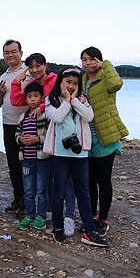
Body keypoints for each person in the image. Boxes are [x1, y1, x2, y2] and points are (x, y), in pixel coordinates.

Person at [43, 68, 108, 247]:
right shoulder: (51, 100)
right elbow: (57, 117)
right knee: (59, 192)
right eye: (67, 82)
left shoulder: (82, 101)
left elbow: (89, 116)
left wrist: (73, 100)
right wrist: (66, 100)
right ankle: (57, 227)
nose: (71, 86)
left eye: (74, 83)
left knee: (84, 192)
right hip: (60, 153)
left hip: (80, 154)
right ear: (60, 83)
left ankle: (90, 230)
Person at [81, 46, 129, 237]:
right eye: (84, 59)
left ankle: (103, 218)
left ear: (99, 60)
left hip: (105, 136)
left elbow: (117, 84)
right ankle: (91, 216)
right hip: (87, 136)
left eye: (92, 59)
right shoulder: (83, 79)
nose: (88, 63)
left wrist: (106, 65)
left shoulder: (106, 78)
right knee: (89, 180)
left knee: (103, 179)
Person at [0, 39, 27, 218]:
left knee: (27, 164)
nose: (10, 55)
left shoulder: (28, 72)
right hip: (8, 124)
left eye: (14, 51)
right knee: (13, 164)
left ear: (21, 52)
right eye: (7, 52)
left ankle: (27, 203)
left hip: (27, 125)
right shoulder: (3, 76)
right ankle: (18, 199)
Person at [14, 82, 50, 230]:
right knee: (28, 189)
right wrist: (20, 139)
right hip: (26, 160)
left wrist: (38, 139)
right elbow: (17, 133)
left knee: (42, 189)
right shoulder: (23, 116)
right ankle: (29, 215)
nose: (33, 99)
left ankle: (41, 216)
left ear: (42, 98)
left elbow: (50, 135)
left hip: (42, 158)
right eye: (29, 97)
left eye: (36, 96)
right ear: (26, 99)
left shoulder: (46, 115)